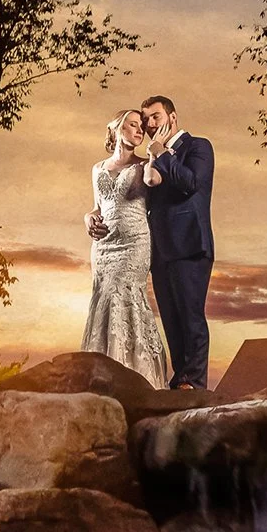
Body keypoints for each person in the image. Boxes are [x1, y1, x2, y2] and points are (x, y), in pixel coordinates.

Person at [80, 108, 169, 386]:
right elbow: (97, 206)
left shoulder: (144, 165)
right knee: (103, 299)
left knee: (125, 295)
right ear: (117, 129)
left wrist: (155, 152)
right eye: (133, 125)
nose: (140, 130)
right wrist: (87, 219)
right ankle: (101, 375)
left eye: (142, 125)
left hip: (134, 244)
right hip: (103, 248)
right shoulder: (97, 169)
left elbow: (154, 181)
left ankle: (136, 375)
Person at [138, 95, 214, 390]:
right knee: (170, 317)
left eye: (155, 116)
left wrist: (160, 152)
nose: (149, 124)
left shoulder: (198, 147)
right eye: (145, 119)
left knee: (190, 314)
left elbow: (190, 183)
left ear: (172, 117)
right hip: (161, 250)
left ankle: (194, 380)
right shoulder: (151, 158)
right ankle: (180, 378)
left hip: (190, 244)